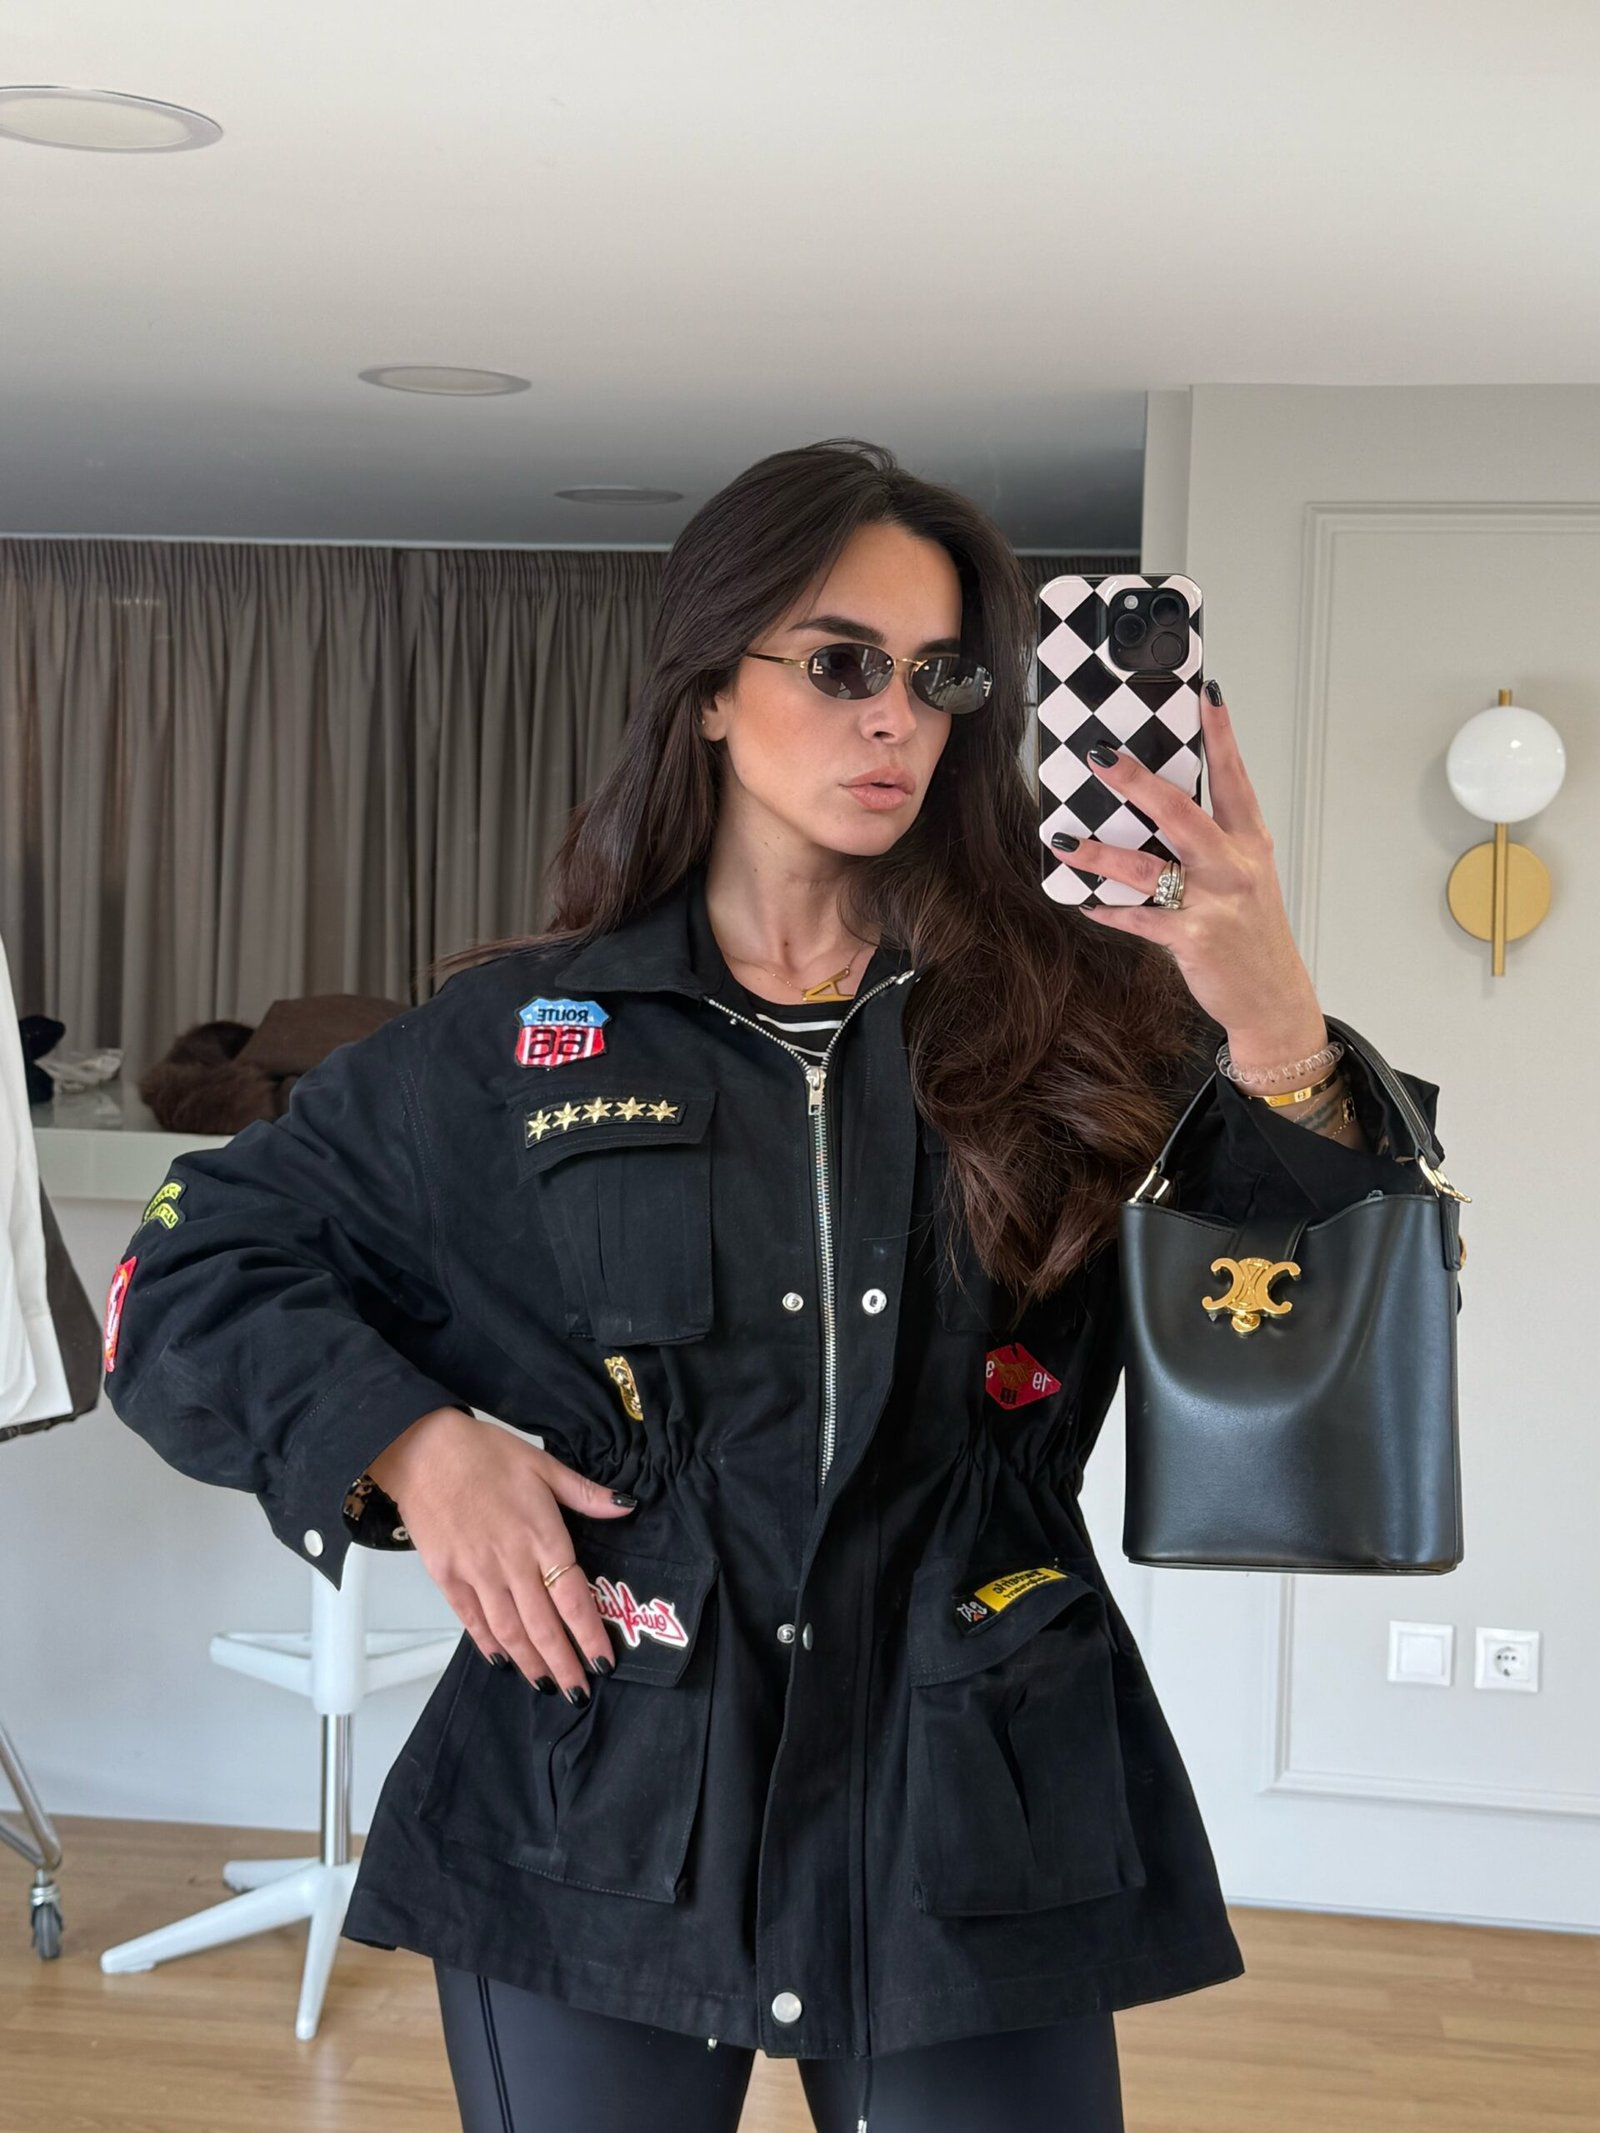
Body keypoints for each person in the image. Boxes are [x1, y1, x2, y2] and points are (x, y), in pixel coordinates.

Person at [104, 438, 1441, 2132]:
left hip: (974, 1789)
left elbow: (1334, 1356)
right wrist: (417, 1445)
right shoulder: (519, 1040)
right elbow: (183, 1264)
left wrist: (1275, 1022)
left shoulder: (1083, 1022)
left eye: (939, 676)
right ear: (712, 692)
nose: (898, 719)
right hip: (603, 1785)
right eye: (840, 663)